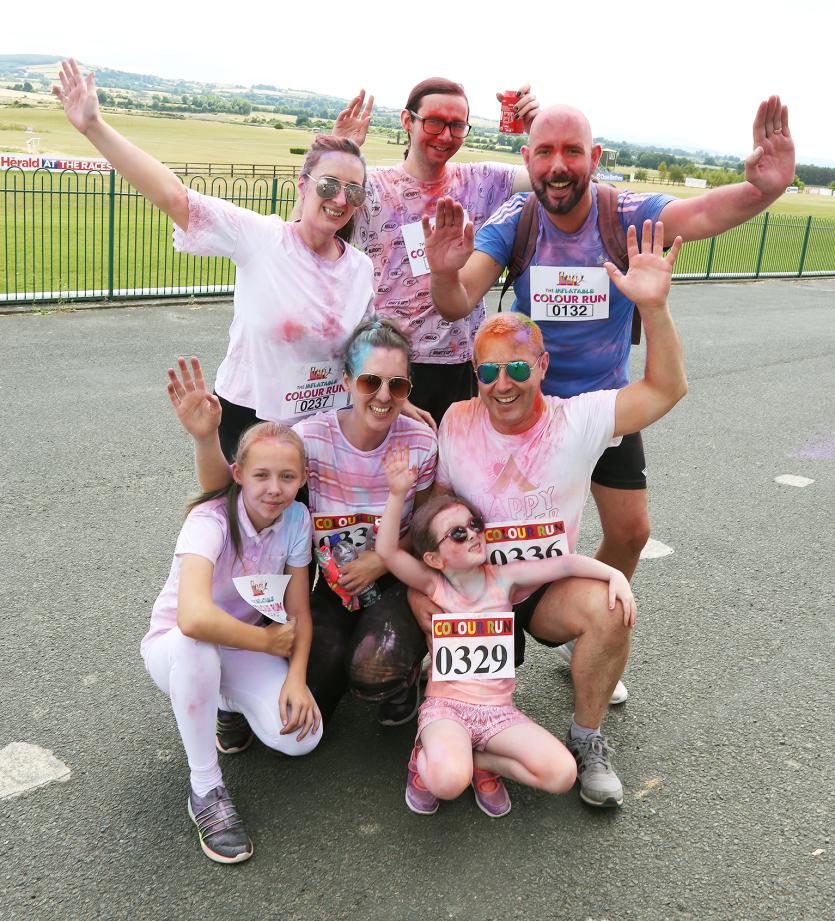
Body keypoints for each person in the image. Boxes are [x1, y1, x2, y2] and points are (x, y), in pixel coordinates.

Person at [423, 99, 795, 584]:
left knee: (630, 531)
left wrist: (762, 190)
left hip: (603, 404)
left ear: (595, 157)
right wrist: (442, 273)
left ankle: (586, 607)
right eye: (545, 152)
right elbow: (457, 300)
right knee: (496, 527)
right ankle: (493, 618)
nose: (558, 166)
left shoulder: (621, 214)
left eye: (572, 152)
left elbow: (699, 214)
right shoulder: (519, 218)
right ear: (527, 157)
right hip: (523, 401)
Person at [412, 219, 687, 807]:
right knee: (414, 606)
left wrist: (655, 309)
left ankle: (586, 739)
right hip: (477, 591)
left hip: (541, 588)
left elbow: (665, 389)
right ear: (474, 373)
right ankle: (444, 717)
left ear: (541, 365)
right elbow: (433, 508)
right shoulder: (457, 421)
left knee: (611, 608)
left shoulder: (577, 418)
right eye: (487, 371)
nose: (502, 384)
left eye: (516, 368)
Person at [54, 58, 391, 459]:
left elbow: (366, 355)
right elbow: (174, 196)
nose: (340, 199)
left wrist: (401, 405)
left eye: (353, 192)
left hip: (321, 428)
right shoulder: (260, 238)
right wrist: (93, 125)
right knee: (240, 520)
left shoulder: (359, 269)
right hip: (247, 419)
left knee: (305, 523)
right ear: (302, 185)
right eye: (329, 185)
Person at [167, 319, 437, 727]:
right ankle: (243, 696)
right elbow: (232, 490)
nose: (384, 396)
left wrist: (383, 561)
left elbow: (428, 528)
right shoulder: (311, 438)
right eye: (370, 382)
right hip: (332, 583)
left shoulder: (421, 443)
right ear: (346, 380)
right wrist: (206, 439)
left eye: (397, 386)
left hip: (395, 579)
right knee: (307, 692)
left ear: (409, 389)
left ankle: (400, 677)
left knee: (372, 669)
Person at [376, 447, 636, 818]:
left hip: (498, 713)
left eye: (475, 525)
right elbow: (386, 551)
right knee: (448, 782)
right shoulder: (435, 585)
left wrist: (614, 576)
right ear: (434, 558)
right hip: (447, 708)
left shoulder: (504, 577)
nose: (473, 535)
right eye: (458, 533)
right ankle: (425, 758)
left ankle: (484, 762)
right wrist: (397, 492)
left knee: (561, 774)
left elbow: (563, 565)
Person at [140, 422, 321, 864]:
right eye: (261, 475)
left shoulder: (297, 518)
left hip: (240, 648)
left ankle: (224, 706)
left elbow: (300, 613)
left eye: (287, 477)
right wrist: (264, 640)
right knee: (196, 645)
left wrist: (297, 679)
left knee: (301, 739)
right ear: (238, 474)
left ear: (303, 478)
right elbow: (194, 618)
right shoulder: (209, 519)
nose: (274, 489)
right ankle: (205, 788)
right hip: (177, 647)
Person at [331, 79, 538, 424]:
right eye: (434, 122)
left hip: (463, 365)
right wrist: (338, 154)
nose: (445, 136)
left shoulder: (483, 181)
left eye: (457, 125)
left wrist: (536, 128)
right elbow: (302, 231)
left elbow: (561, 177)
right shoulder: (372, 187)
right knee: (392, 473)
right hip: (387, 363)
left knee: (452, 473)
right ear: (406, 121)